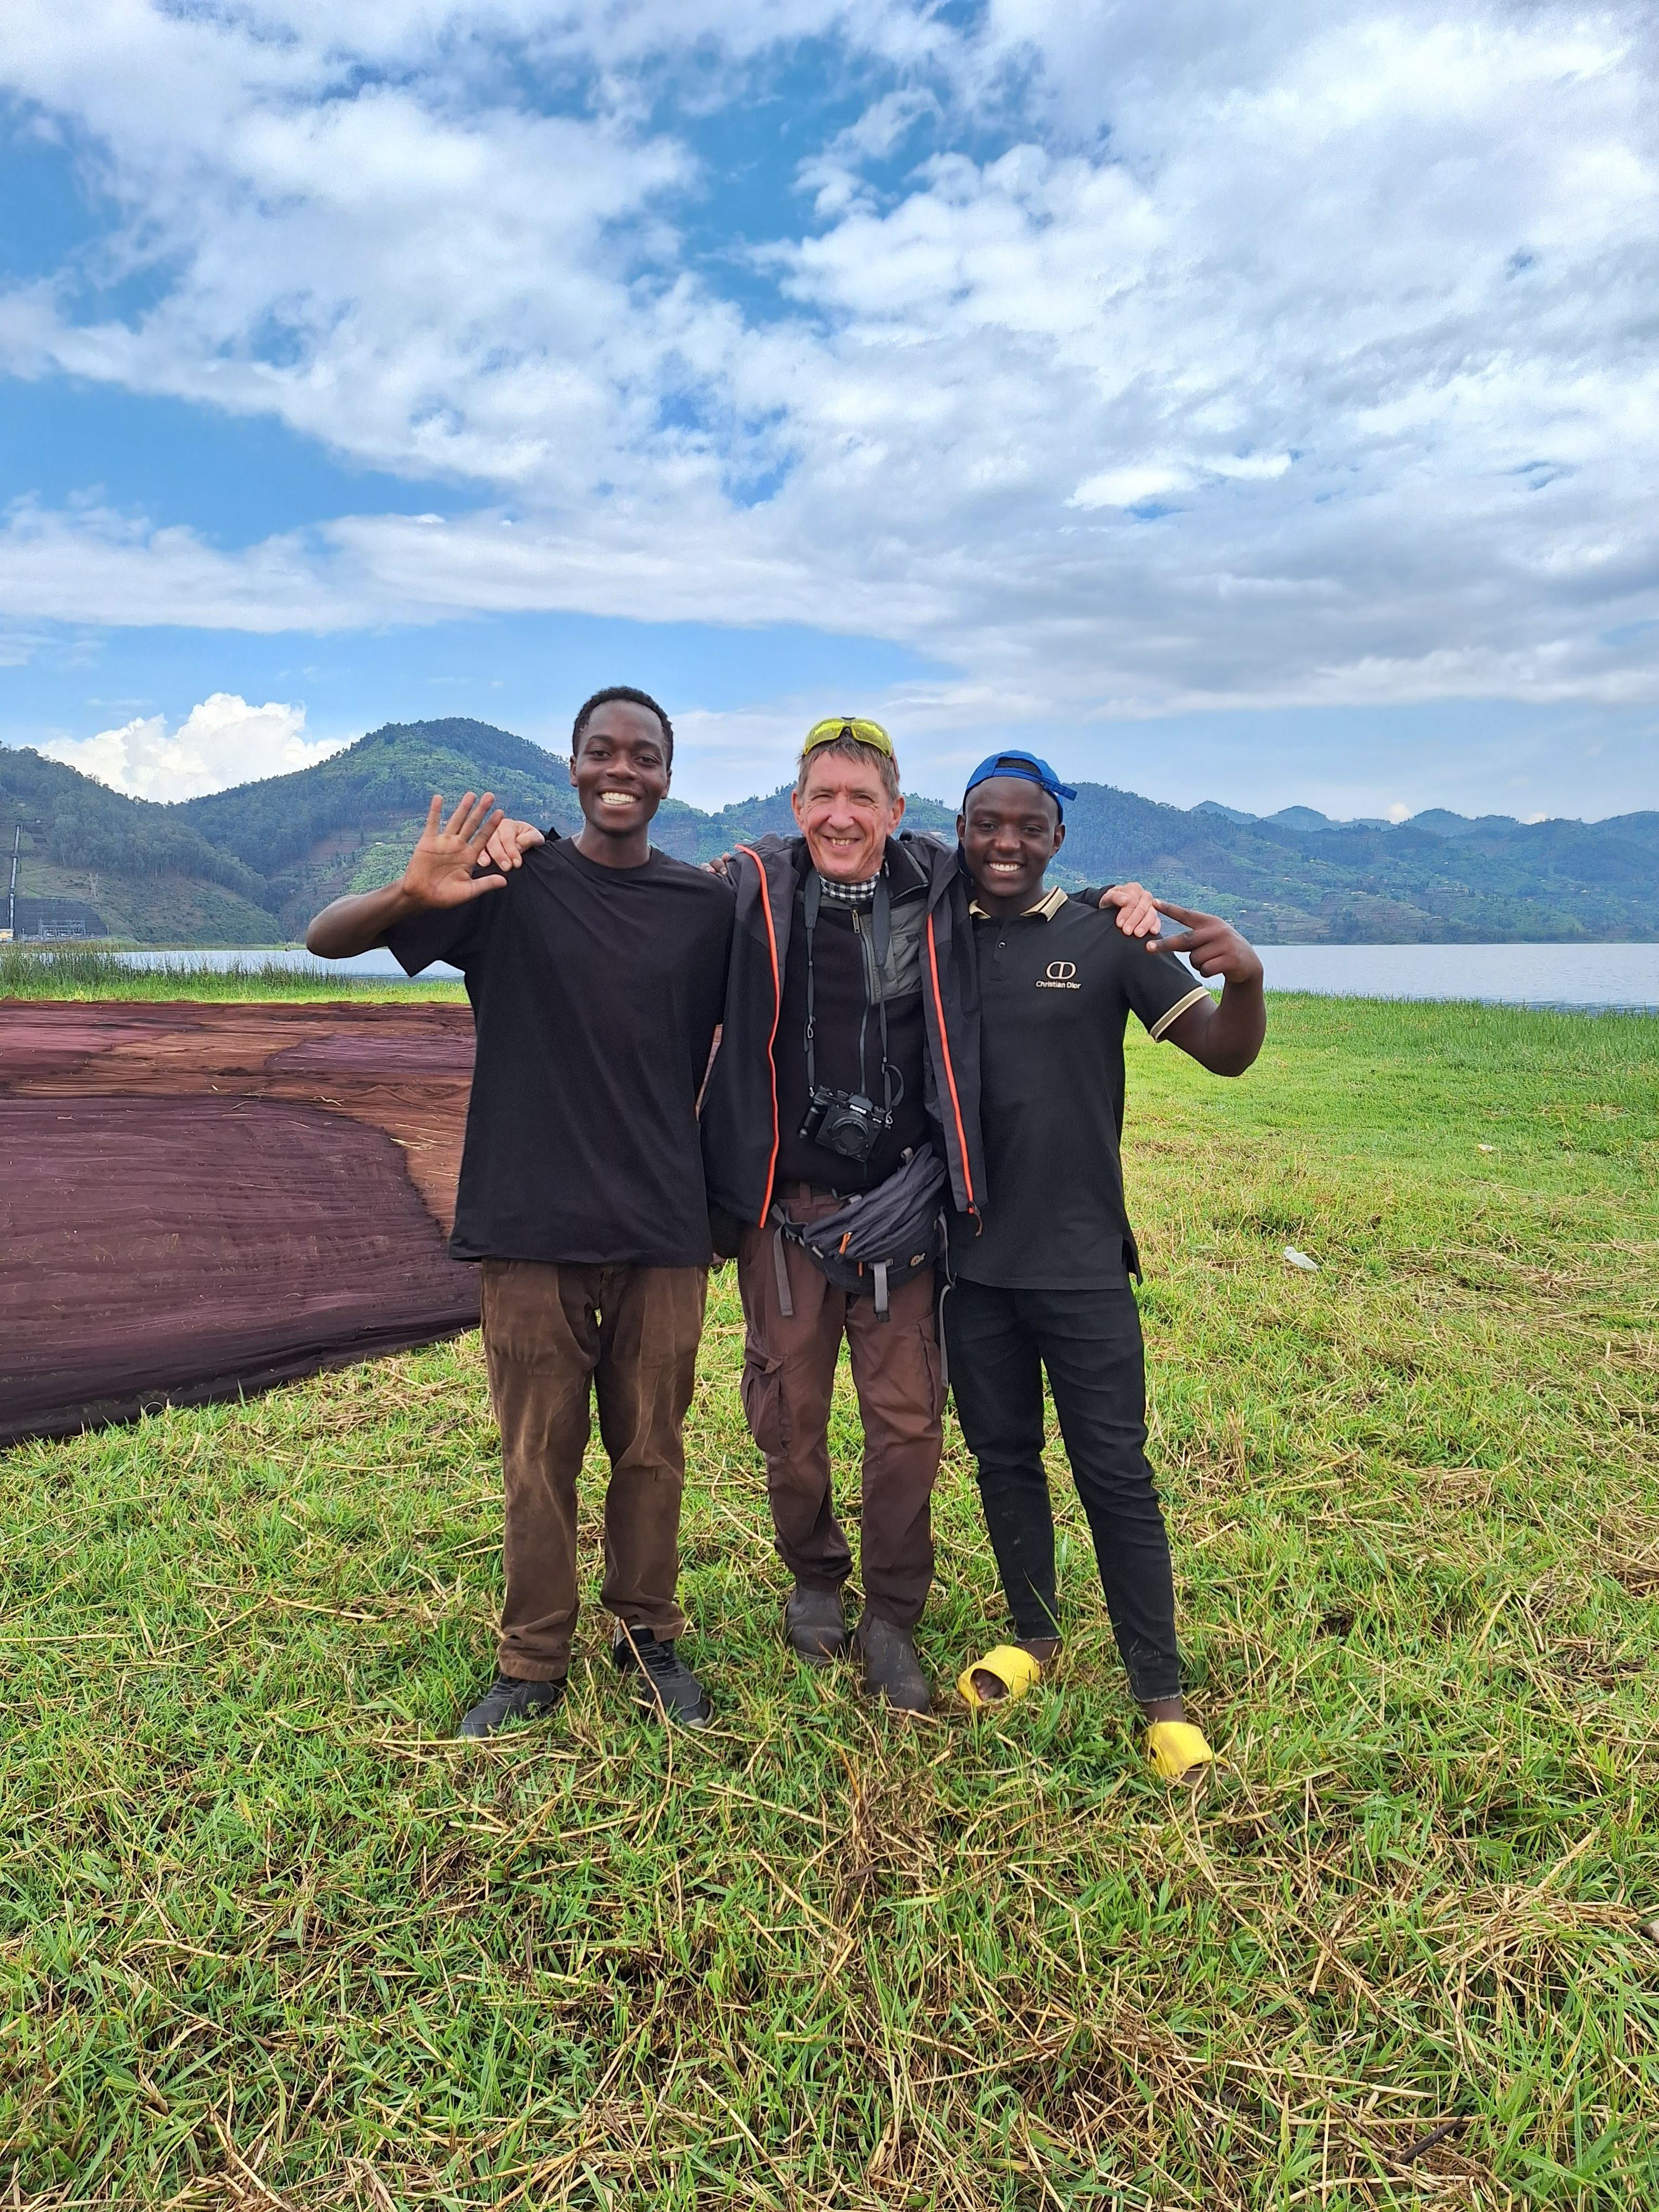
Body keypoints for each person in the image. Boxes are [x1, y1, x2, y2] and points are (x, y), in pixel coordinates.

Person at [304, 687, 733, 1738]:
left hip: (663, 1230)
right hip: (527, 1226)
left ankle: (649, 1640)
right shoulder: (508, 882)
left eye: (643, 754)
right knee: (538, 1460)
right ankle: (531, 1661)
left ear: (668, 775)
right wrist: (409, 892)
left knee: (652, 1454)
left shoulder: (705, 907)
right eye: (602, 751)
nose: (622, 768)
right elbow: (326, 939)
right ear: (575, 766)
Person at [944, 751, 1266, 1783]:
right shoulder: (932, 932)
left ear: (1057, 839)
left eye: (1026, 827)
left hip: (1082, 1262)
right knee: (1003, 1459)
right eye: (985, 823)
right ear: (958, 829)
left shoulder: (1107, 935)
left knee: (1116, 1475)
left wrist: (1247, 977)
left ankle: (1160, 1697)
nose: (1004, 842)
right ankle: (1031, 1638)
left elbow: (1224, 1051)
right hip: (968, 1264)